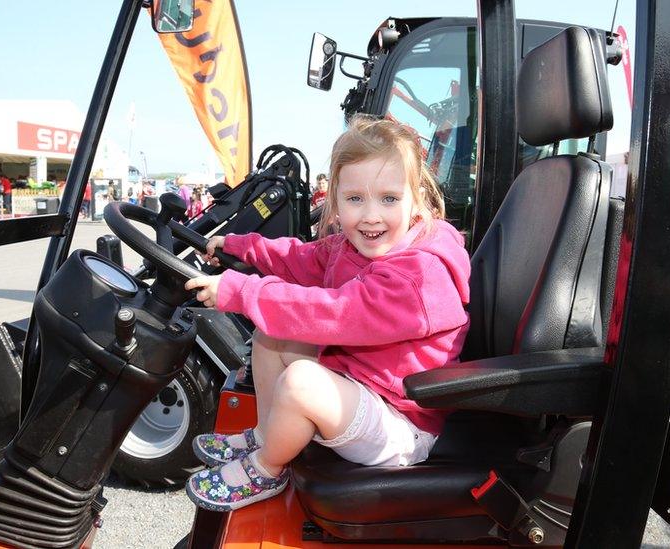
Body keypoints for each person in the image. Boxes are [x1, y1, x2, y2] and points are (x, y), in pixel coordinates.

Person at [183, 115, 470, 511]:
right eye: (355, 199)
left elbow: (337, 312)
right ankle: (267, 433)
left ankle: (267, 467)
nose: (371, 215)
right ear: (335, 200)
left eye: (389, 199)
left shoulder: (418, 276)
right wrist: (237, 247)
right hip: (365, 387)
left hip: (404, 424)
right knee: (273, 336)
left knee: (301, 381)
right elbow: (301, 257)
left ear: (415, 198)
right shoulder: (352, 247)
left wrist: (240, 290)